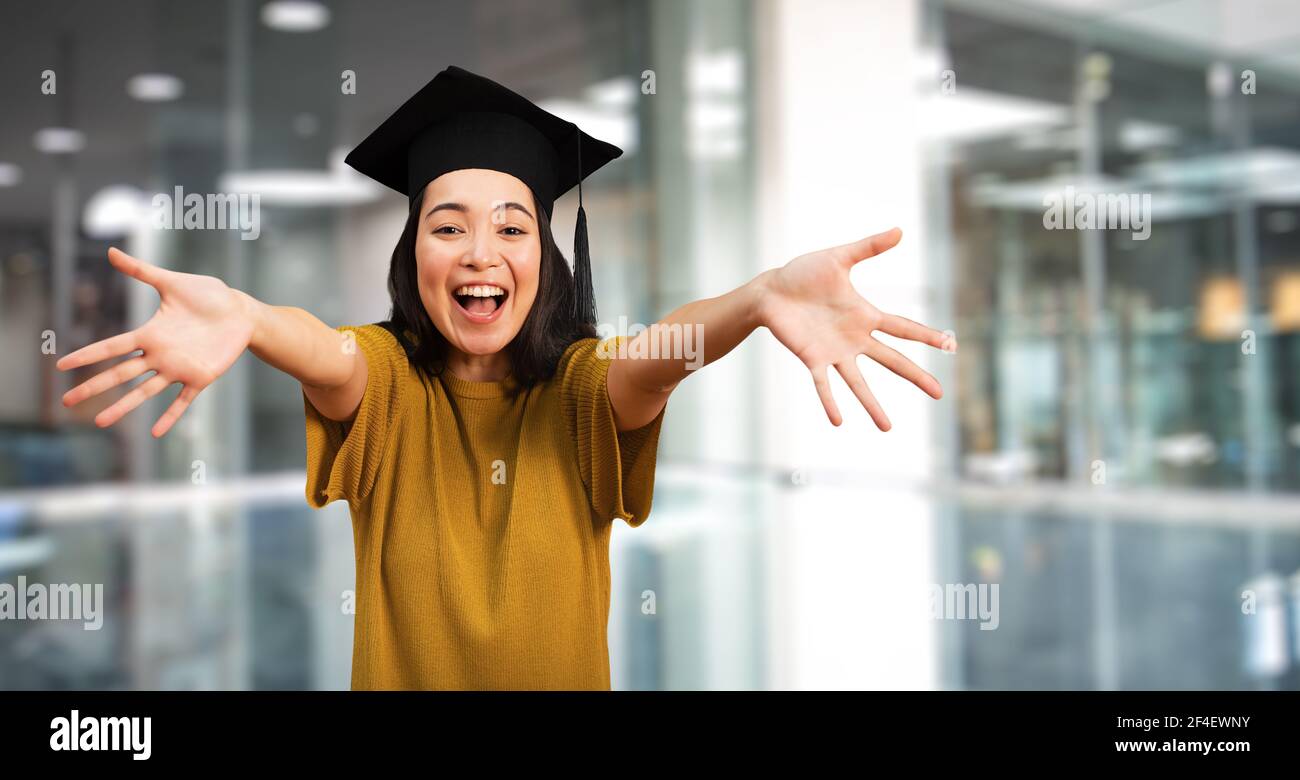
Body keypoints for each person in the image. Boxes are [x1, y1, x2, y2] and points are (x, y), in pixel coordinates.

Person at [56, 66, 952, 689]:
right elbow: (323, 353)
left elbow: (656, 361)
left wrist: (753, 302)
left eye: (512, 227)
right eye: (447, 227)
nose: (480, 252)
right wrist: (251, 319)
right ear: (413, 254)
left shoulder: (579, 393)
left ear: (546, 255)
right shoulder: (388, 387)